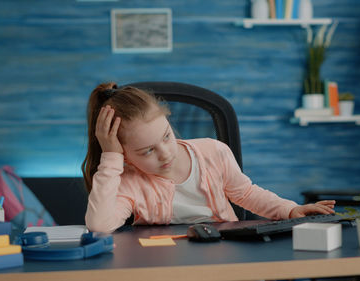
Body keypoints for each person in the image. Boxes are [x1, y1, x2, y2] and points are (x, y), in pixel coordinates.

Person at [83, 82, 335, 233]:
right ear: (125, 157)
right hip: (163, 264)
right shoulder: (128, 180)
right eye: (147, 151)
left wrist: (290, 209)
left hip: (222, 254)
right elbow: (99, 225)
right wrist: (111, 157)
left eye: (166, 136)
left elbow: (246, 194)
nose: (165, 153)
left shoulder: (214, 152)